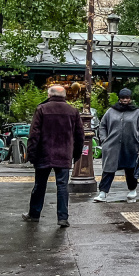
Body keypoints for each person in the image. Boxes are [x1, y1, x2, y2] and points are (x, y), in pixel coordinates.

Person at [23, 86, 84, 227]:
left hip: (44, 153)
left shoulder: (42, 109)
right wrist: (76, 154)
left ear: (49, 95)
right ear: (64, 96)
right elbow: (79, 136)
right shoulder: (73, 111)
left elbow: (34, 134)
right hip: (64, 154)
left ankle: (34, 214)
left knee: (40, 185)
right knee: (62, 186)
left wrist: (31, 154)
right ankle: (63, 217)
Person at [94, 88, 139, 202]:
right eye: (123, 98)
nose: (125, 100)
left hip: (131, 145)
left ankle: (132, 190)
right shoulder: (111, 111)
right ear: (119, 98)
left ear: (130, 98)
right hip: (112, 145)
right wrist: (104, 140)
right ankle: (103, 193)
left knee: (131, 169)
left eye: (127, 98)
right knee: (109, 169)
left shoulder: (137, 112)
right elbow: (102, 126)